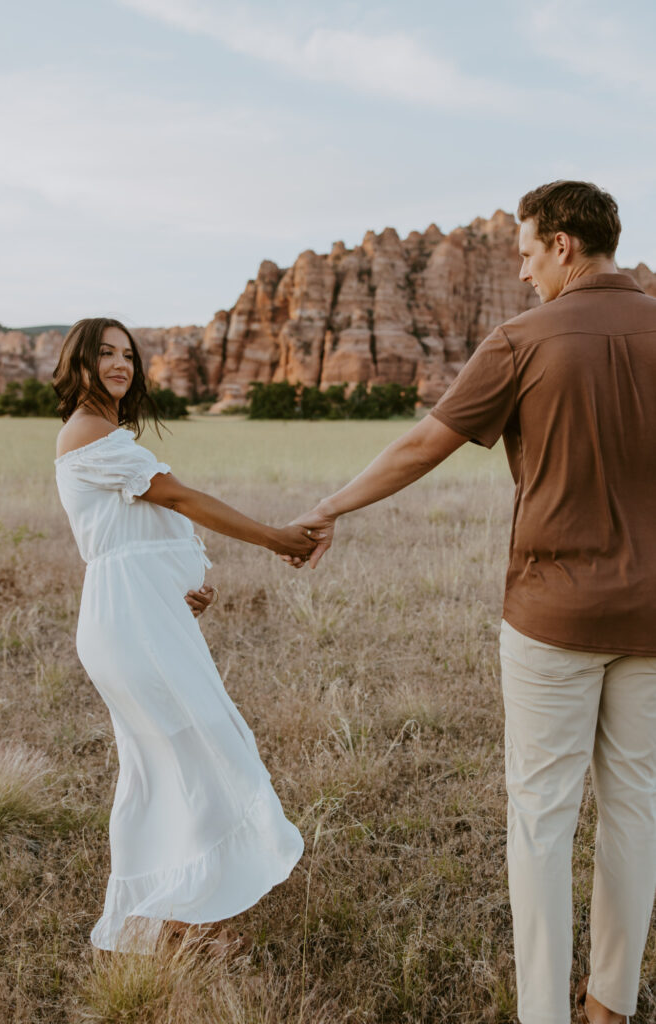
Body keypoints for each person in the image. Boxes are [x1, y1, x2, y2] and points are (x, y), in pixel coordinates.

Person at [288, 181, 656, 1024]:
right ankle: (611, 1004)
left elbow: (426, 443)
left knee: (540, 816)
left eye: (527, 254)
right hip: (649, 616)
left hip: (552, 614)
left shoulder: (523, 338)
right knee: (634, 806)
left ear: (563, 244)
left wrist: (330, 508)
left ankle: (542, 1013)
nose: (523, 275)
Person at [53, 317, 320, 955]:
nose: (121, 364)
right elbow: (177, 499)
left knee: (167, 763)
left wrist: (182, 588)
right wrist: (276, 537)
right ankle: (178, 919)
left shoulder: (109, 432)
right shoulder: (89, 431)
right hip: (128, 621)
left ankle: (168, 922)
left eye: (128, 354)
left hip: (144, 615)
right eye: (105, 354)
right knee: (197, 751)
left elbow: (139, 531)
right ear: (79, 363)